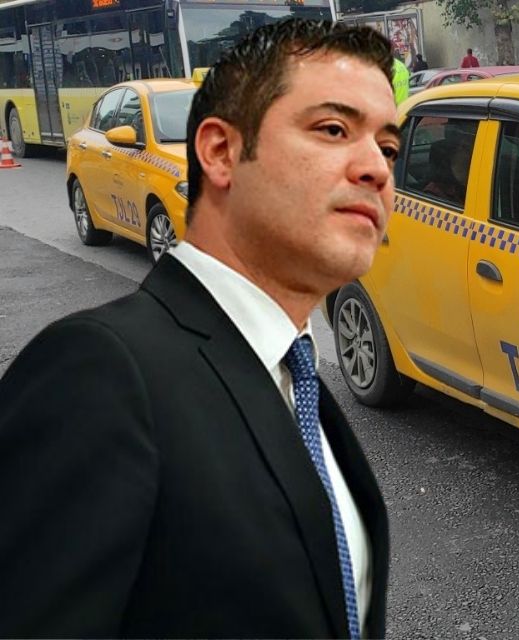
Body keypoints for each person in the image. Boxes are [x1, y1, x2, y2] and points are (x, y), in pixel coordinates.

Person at [0, 19, 398, 638]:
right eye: (332, 130)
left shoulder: (295, 376)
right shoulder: (100, 372)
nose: (376, 168)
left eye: (389, 148)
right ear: (219, 152)